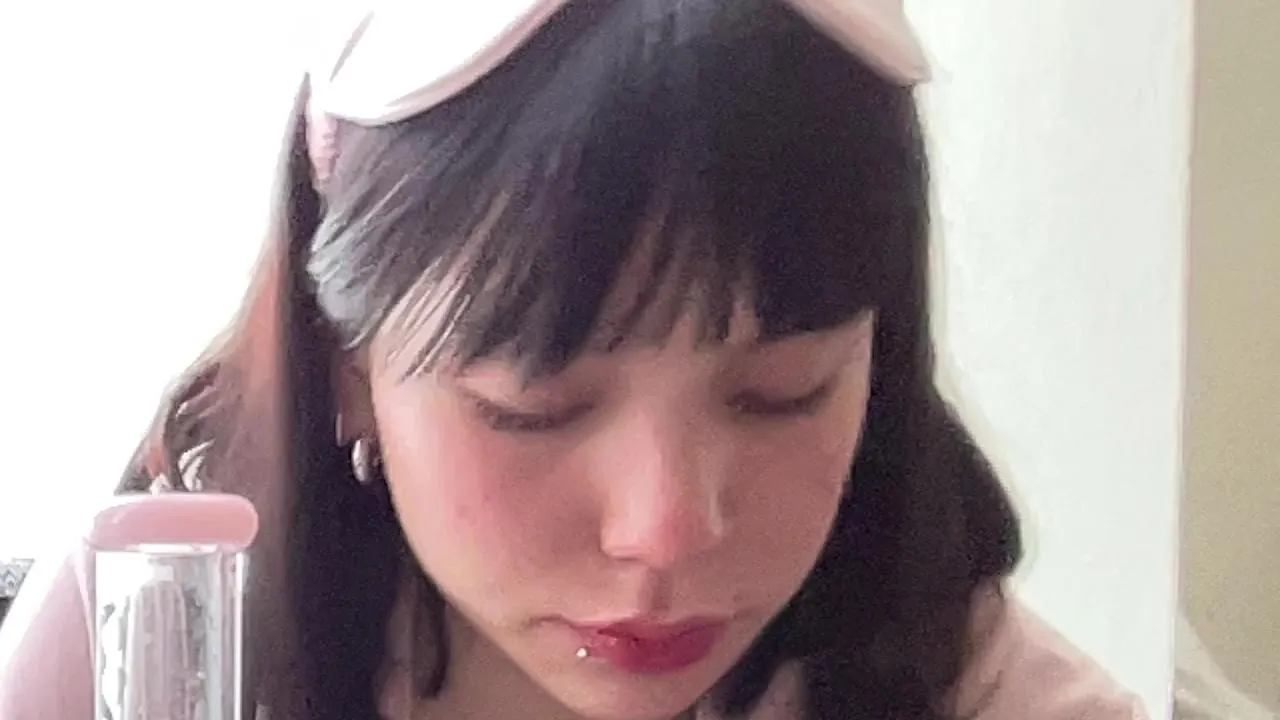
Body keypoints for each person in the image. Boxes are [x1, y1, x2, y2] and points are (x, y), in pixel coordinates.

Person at [0, 1, 1150, 719]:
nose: (665, 530)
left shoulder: (966, 686)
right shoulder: (155, 642)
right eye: (532, 406)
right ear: (346, 362)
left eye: (781, 394)